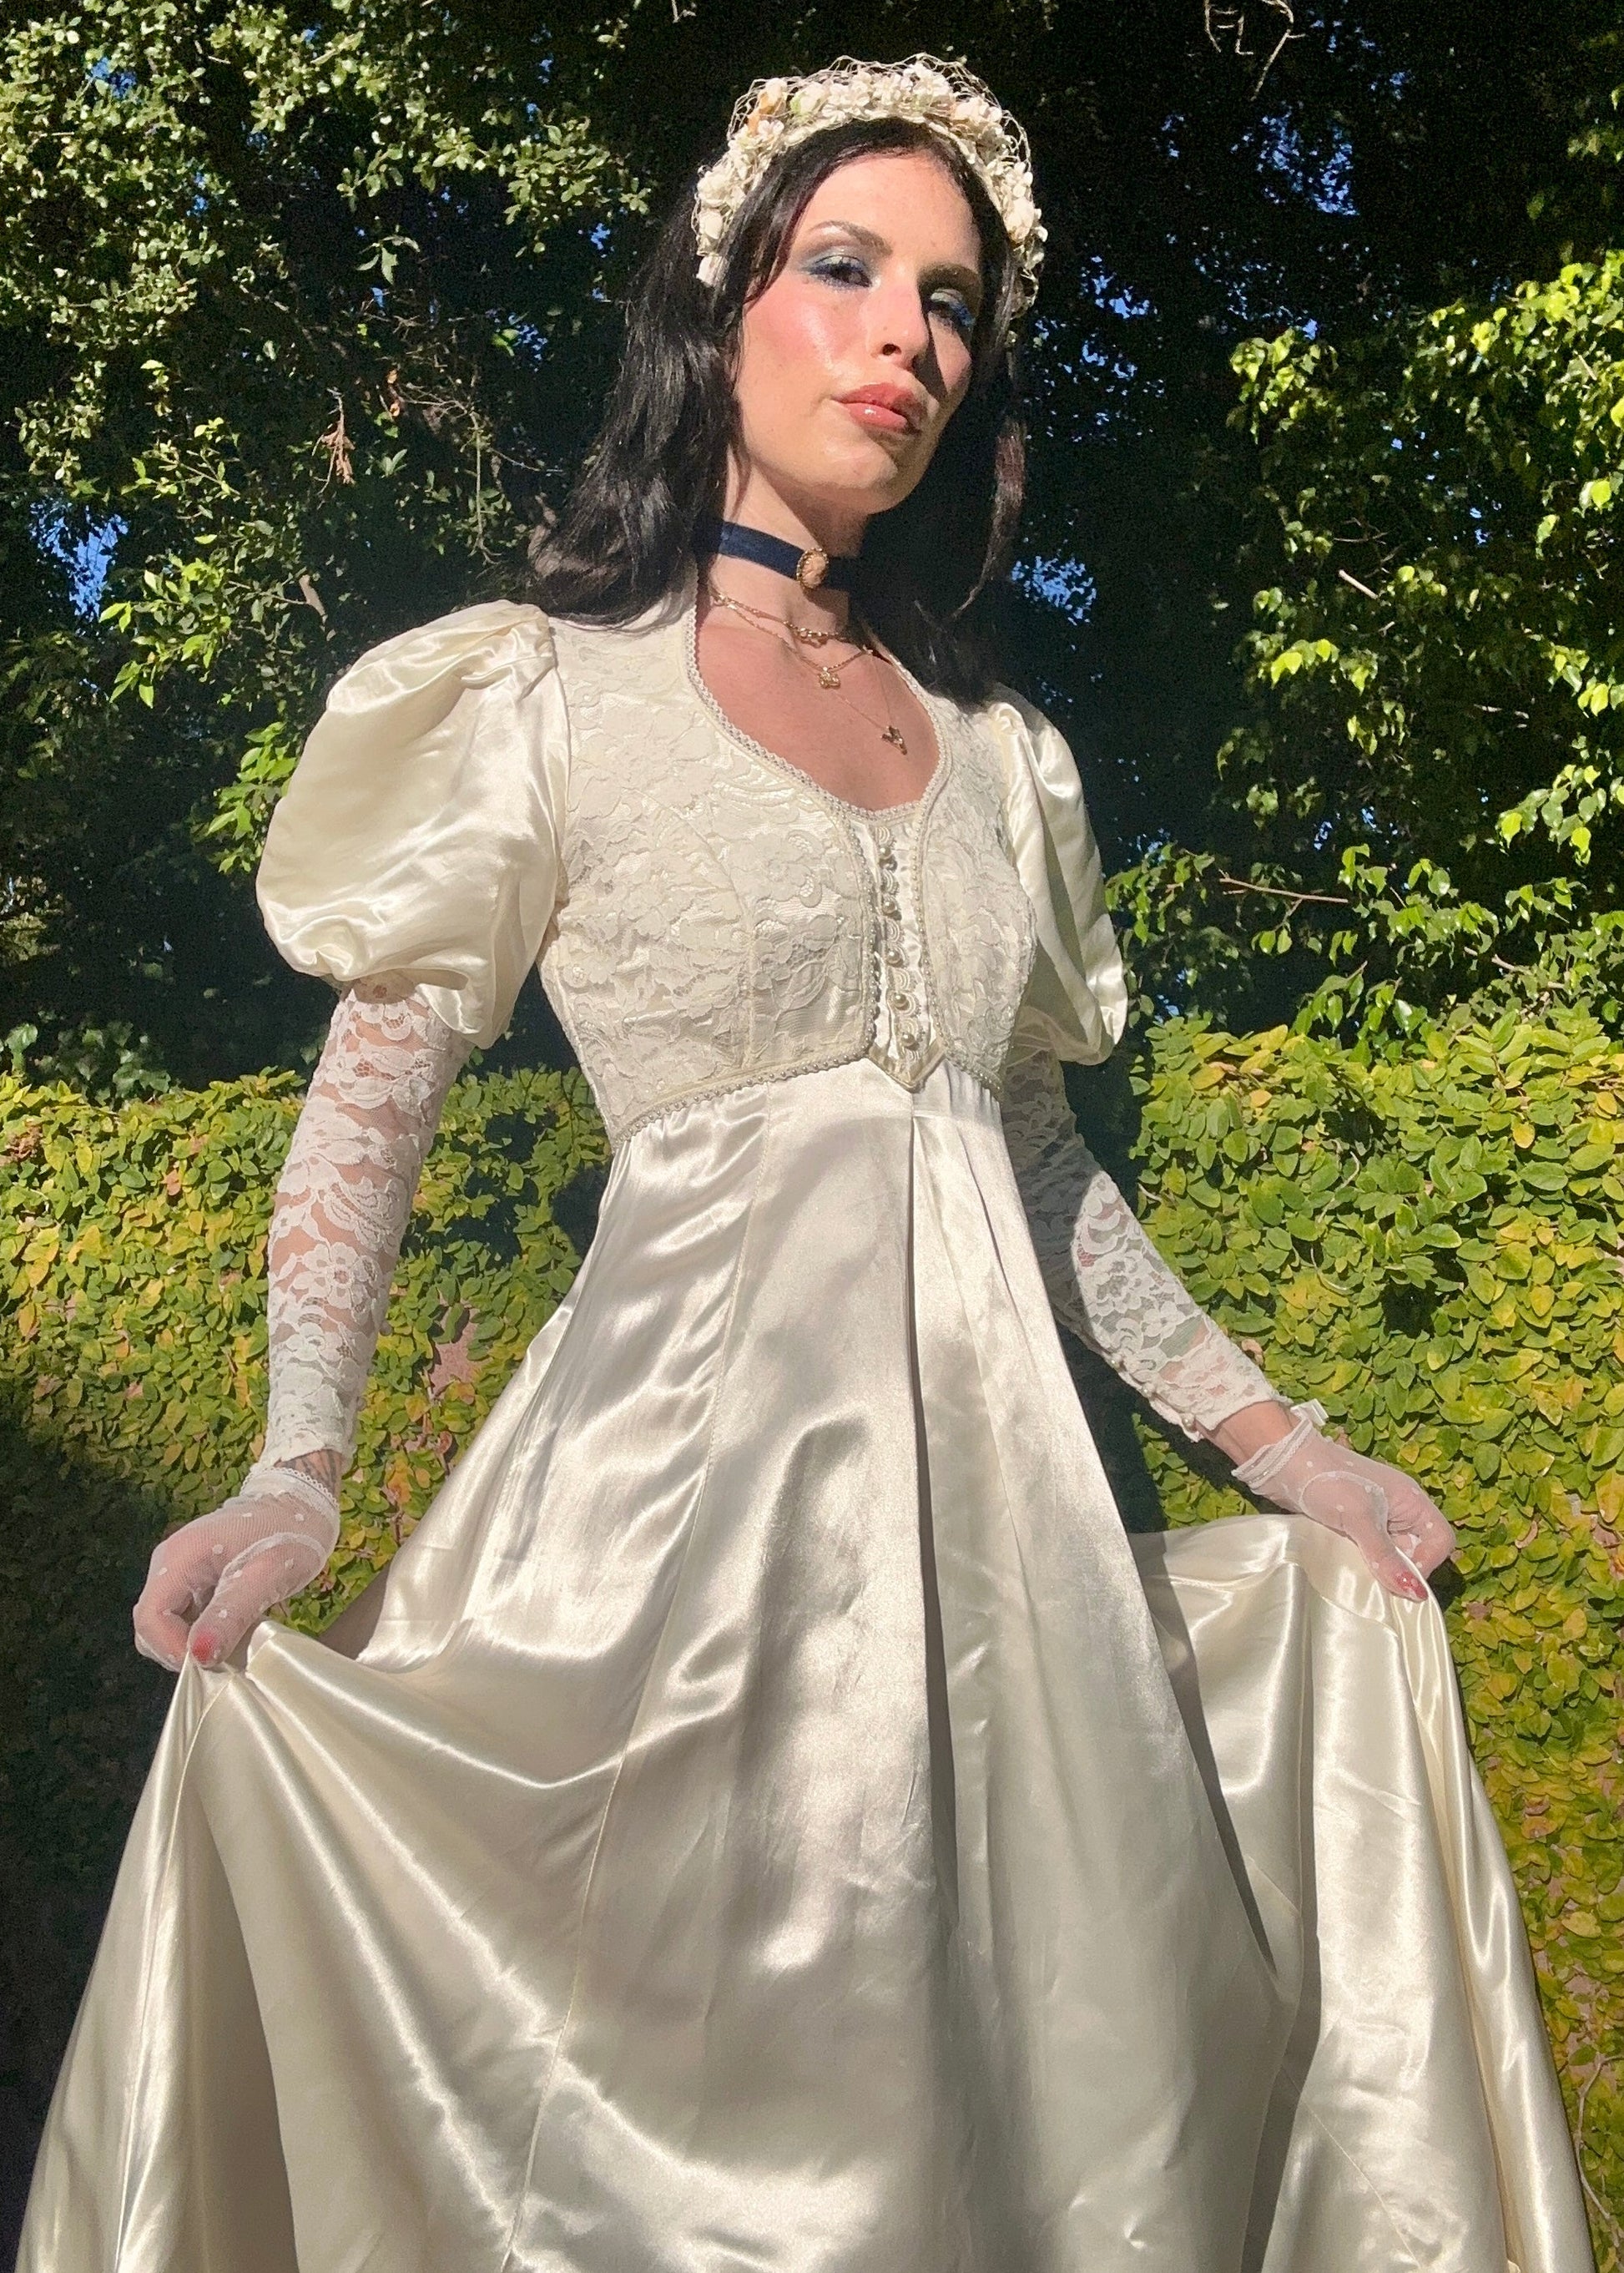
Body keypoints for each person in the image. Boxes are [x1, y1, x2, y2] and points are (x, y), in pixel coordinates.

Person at [19, 56, 1592, 2273]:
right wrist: (297, 1469)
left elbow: (1035, 1160)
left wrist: (1282, 1443)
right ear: (713, 302)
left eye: (950, 304)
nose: (903, 340)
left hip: (999, 1602)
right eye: (843, 268)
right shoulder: (541, 698)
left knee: (1021, 2120)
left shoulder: (1005, 766)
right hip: (657, 1573)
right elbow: (368, 1110)